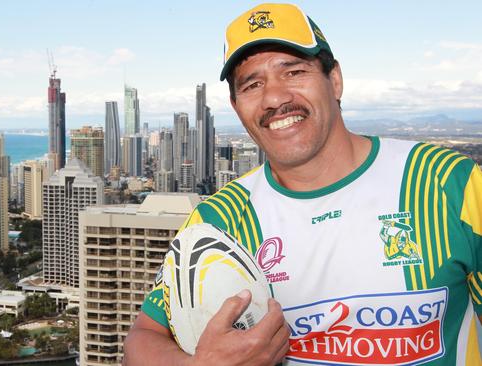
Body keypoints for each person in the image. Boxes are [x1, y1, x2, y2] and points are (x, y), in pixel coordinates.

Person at [124, 3, 482, 365]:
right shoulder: (217, 220)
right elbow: (144, 337)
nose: (275, 98)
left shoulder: (446, 183)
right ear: (236, 106)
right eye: (253, 84)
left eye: (294, 72)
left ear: (335, 80)